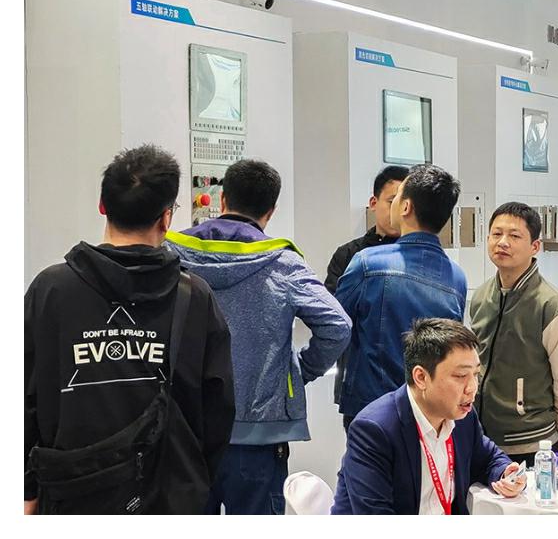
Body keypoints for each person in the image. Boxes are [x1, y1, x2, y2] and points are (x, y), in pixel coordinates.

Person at [24, 145, 235, 515]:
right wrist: (195, 480)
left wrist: (26, 490)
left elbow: (25, 398)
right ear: (166, 218)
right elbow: (218, 408)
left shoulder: (50, 291)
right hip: (170, 499)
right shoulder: (194, 297)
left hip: (70, 495)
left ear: (103, 205)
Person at [167, 159, 351, 515]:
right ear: (271, 210)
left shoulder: (173, 255)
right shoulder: (283, 262)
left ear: (221, 200)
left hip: (185, 431)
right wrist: (297, 371)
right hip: (259, 437)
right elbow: (338, 326)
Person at [332, 319, 525, 514]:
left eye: (475, 374)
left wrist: (505, 472)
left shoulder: (463, 416)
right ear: (421, 377)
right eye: (460, 376)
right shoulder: (374, 429)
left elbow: (488, 457)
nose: (472, 388)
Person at [336, 163, 469, 425]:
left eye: (398, 197)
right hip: (430, 410)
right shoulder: (457, 277)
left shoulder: (367, 263)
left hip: (370, 408)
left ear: (406, 207)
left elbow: (334, 326)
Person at [470, 202, 558, 463]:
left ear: (535, 246)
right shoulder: (480, 297)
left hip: (531, 443)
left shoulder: (553, 306)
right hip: (481, 436)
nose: (503, 242)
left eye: (514, 236)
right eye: (496, 234)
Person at [325, 165, 410, 410]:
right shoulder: (349, 255)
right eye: (392, 201)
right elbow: (332, 314)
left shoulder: (419, 257)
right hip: (359, 383)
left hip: (411, 383)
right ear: (374, 202)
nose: (399, 210)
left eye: (406, 203)